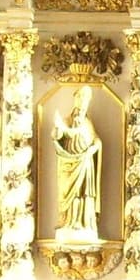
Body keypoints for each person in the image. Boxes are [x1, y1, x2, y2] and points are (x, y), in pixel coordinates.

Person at [52, 85, 102, 238]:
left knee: (84, 193)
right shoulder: (66, 120)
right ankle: (68, 222)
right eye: (80, 97)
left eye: (86, 99)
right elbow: (57, 136)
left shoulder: (88, 123)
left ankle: (85, 223)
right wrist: (58, 131)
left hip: (85, 162)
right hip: (68, 163)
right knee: (69, 193)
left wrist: (94, 147)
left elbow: (95, 139)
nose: (82, 102)